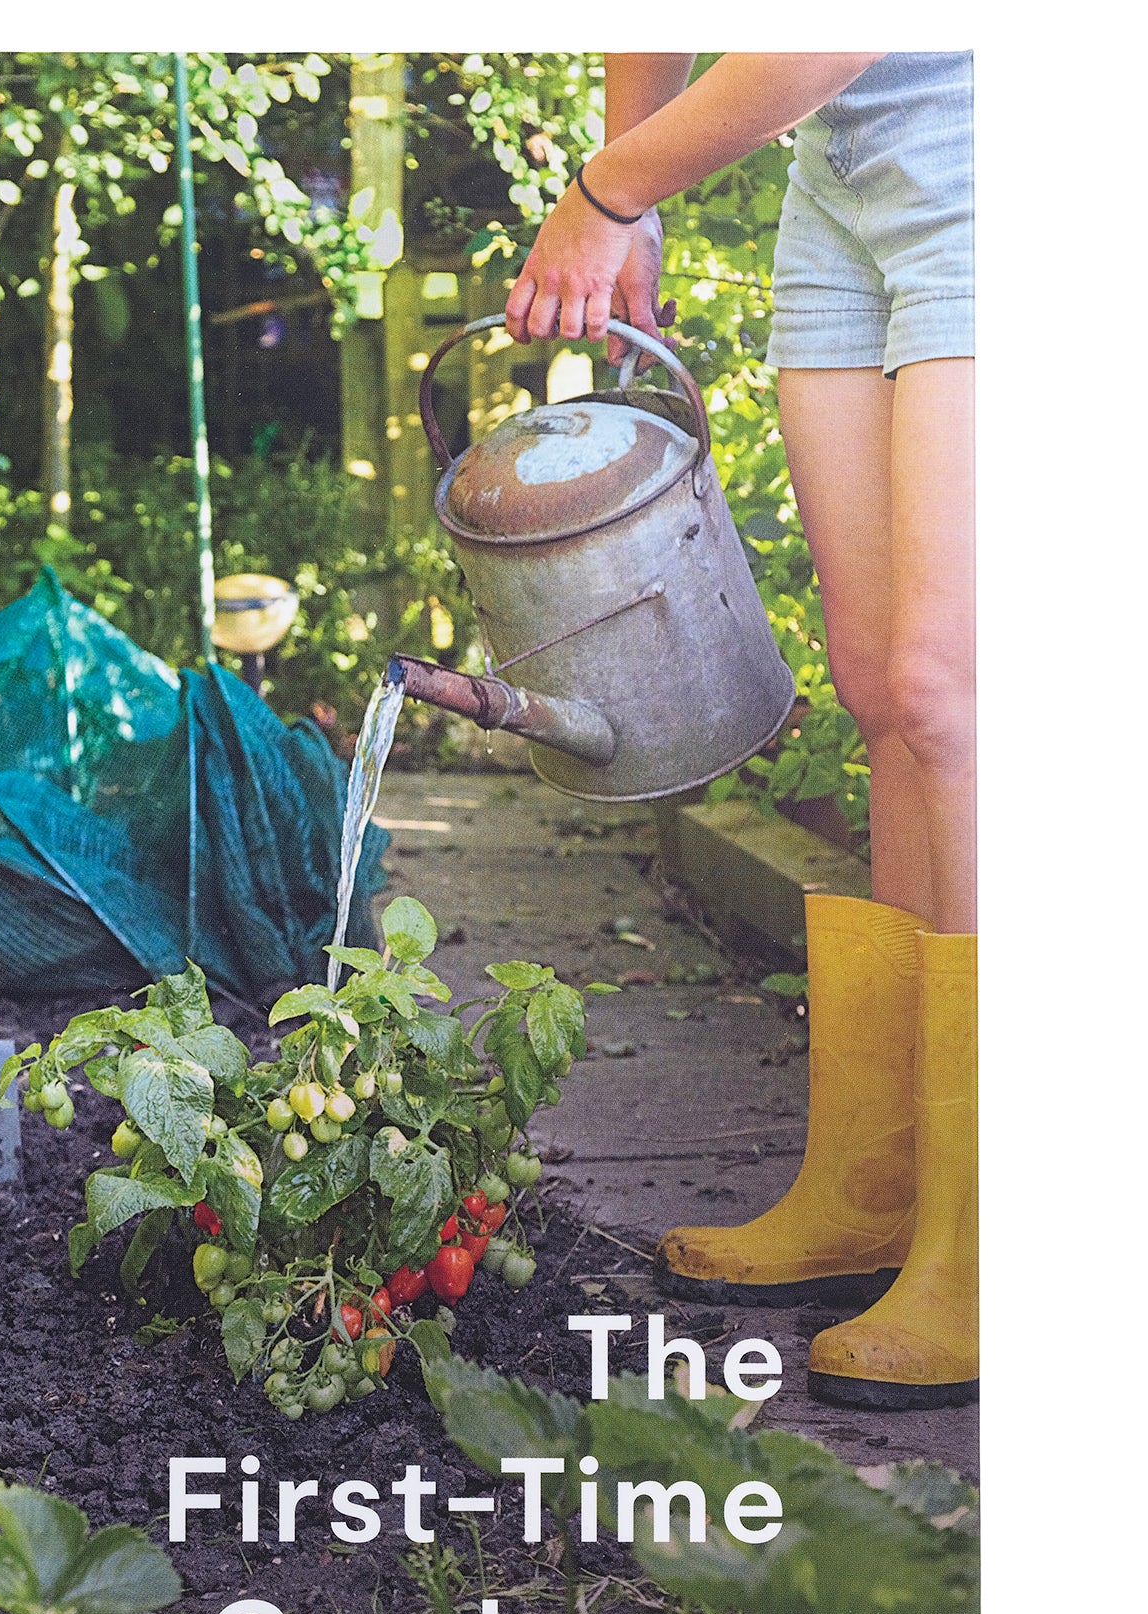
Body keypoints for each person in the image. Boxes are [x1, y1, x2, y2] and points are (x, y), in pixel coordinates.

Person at [506, 53, 975, 1408]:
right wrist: (628, 181)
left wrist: (610, 189)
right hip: (838, 182)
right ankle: (880, 1193)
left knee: (954, 686)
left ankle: (999, 1234)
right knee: (886, 691)